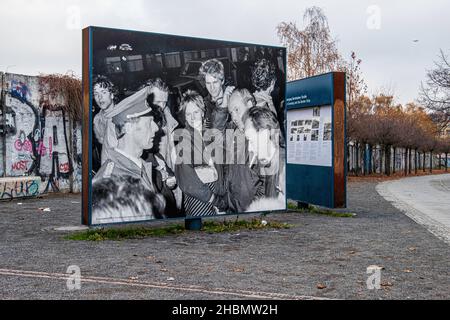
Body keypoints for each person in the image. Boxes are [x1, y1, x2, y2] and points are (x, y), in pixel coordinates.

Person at [92, 87, 164, 224]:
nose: (156, 128)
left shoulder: (136, 165)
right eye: (149, 122)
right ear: (129, 127)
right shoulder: (111, 184)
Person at [174, 90, 227, 217]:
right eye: (188, 114)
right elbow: (188, 182)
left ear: (203, 112)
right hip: (199, 198)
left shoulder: (209, 134)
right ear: (184, 116)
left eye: (196, 112)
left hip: (217, 193)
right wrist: (214, 199)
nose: (192, 118)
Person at [198, 59, 235, 131]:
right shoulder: (204, 104)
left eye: (215, 82)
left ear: (222, 81)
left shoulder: (233, 97)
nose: (212, 88)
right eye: (208, 83)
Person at [93, 75, 119, 165]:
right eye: (96, 94)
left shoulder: (122, 114)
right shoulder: (96, 120)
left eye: (103, 92)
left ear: (112, 94)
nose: (99, 97)